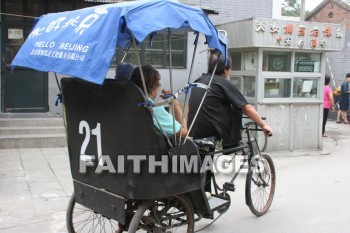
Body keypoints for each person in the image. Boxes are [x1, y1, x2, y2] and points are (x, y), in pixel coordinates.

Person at [188, 53, 273, 194]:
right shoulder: (222, 82)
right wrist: (263, 125)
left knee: (204, 161)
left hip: (193, 128)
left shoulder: (200, 80)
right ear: (226, 69)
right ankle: (232, 144)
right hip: (210, 130)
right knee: (235, 108)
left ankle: (204, 191)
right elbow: (246, 107)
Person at [130, 64, 188, 137]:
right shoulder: (153, 108)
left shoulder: (127, 102)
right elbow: (184, 133)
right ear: (153, 86)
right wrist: (175, 104)